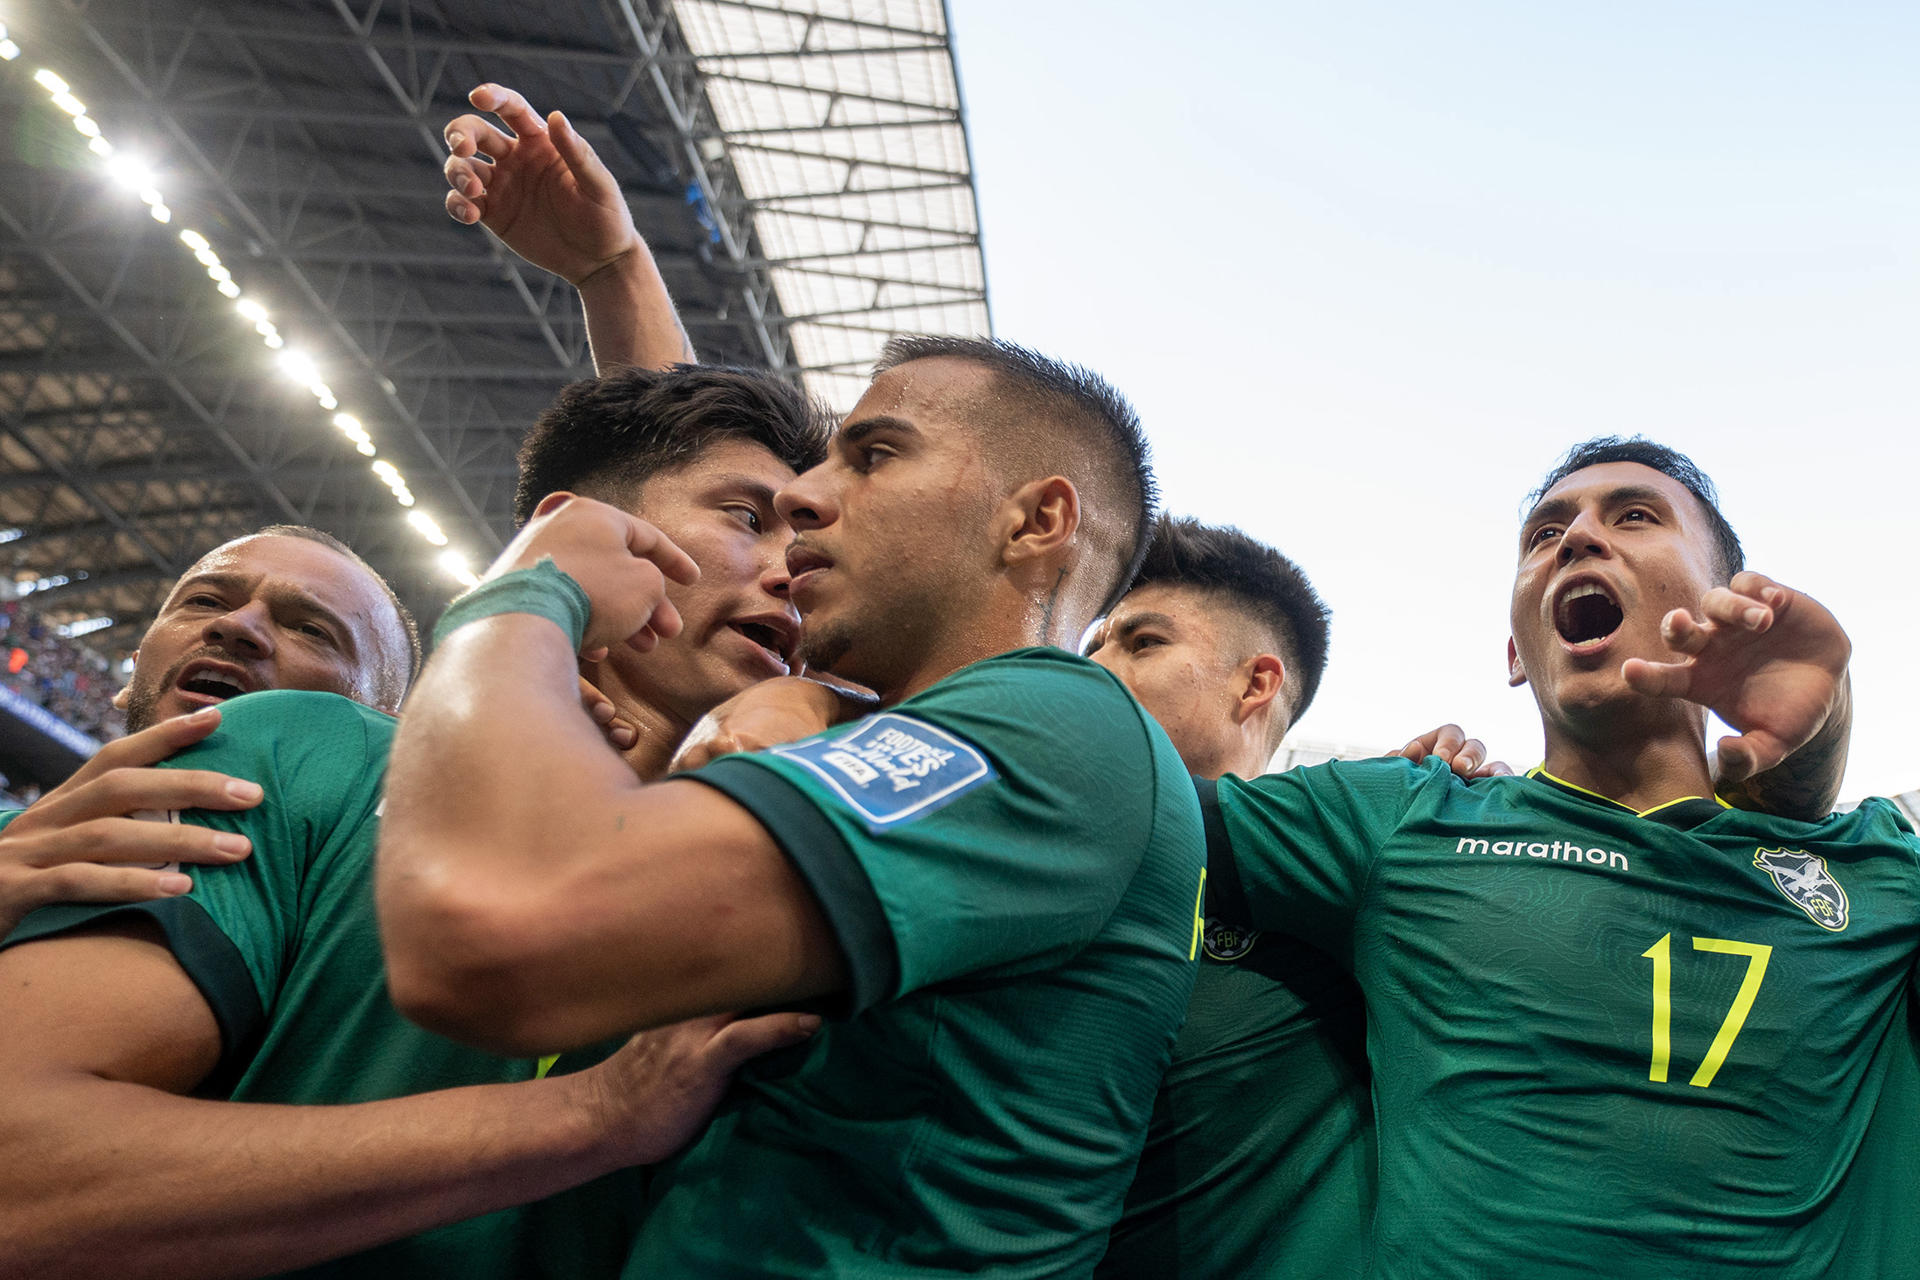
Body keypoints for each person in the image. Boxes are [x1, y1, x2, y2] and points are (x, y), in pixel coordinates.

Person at [377, 336, 1206, 1277]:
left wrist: (525, 591)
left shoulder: (1057, 720)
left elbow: (498, 932)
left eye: (876, 454)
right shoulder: (948, 735)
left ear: (1036, 521)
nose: (802, 496)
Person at [0, 369, 831, 1279]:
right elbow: (24, 1177)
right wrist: (595, 1116)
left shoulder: (788, 874)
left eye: (812, 538)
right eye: (749, 520)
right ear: (588, 531)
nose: (790, 570)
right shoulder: (304, 751)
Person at [1198, 437, 1906, 1277]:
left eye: (1635, 516)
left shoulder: (1876, 870)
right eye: (1544, 534)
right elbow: (1109, 804)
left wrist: (1822, 744)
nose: (1576, 538)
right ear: (1512, 652)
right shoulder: (1399, 816)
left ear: (1725, 608)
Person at [1082, 515, 1370, 1279]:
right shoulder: (1033, 863)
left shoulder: (1364, 892)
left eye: (1143, 643)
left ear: (1257, 683)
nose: (1095, 669)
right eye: (1093, 646)